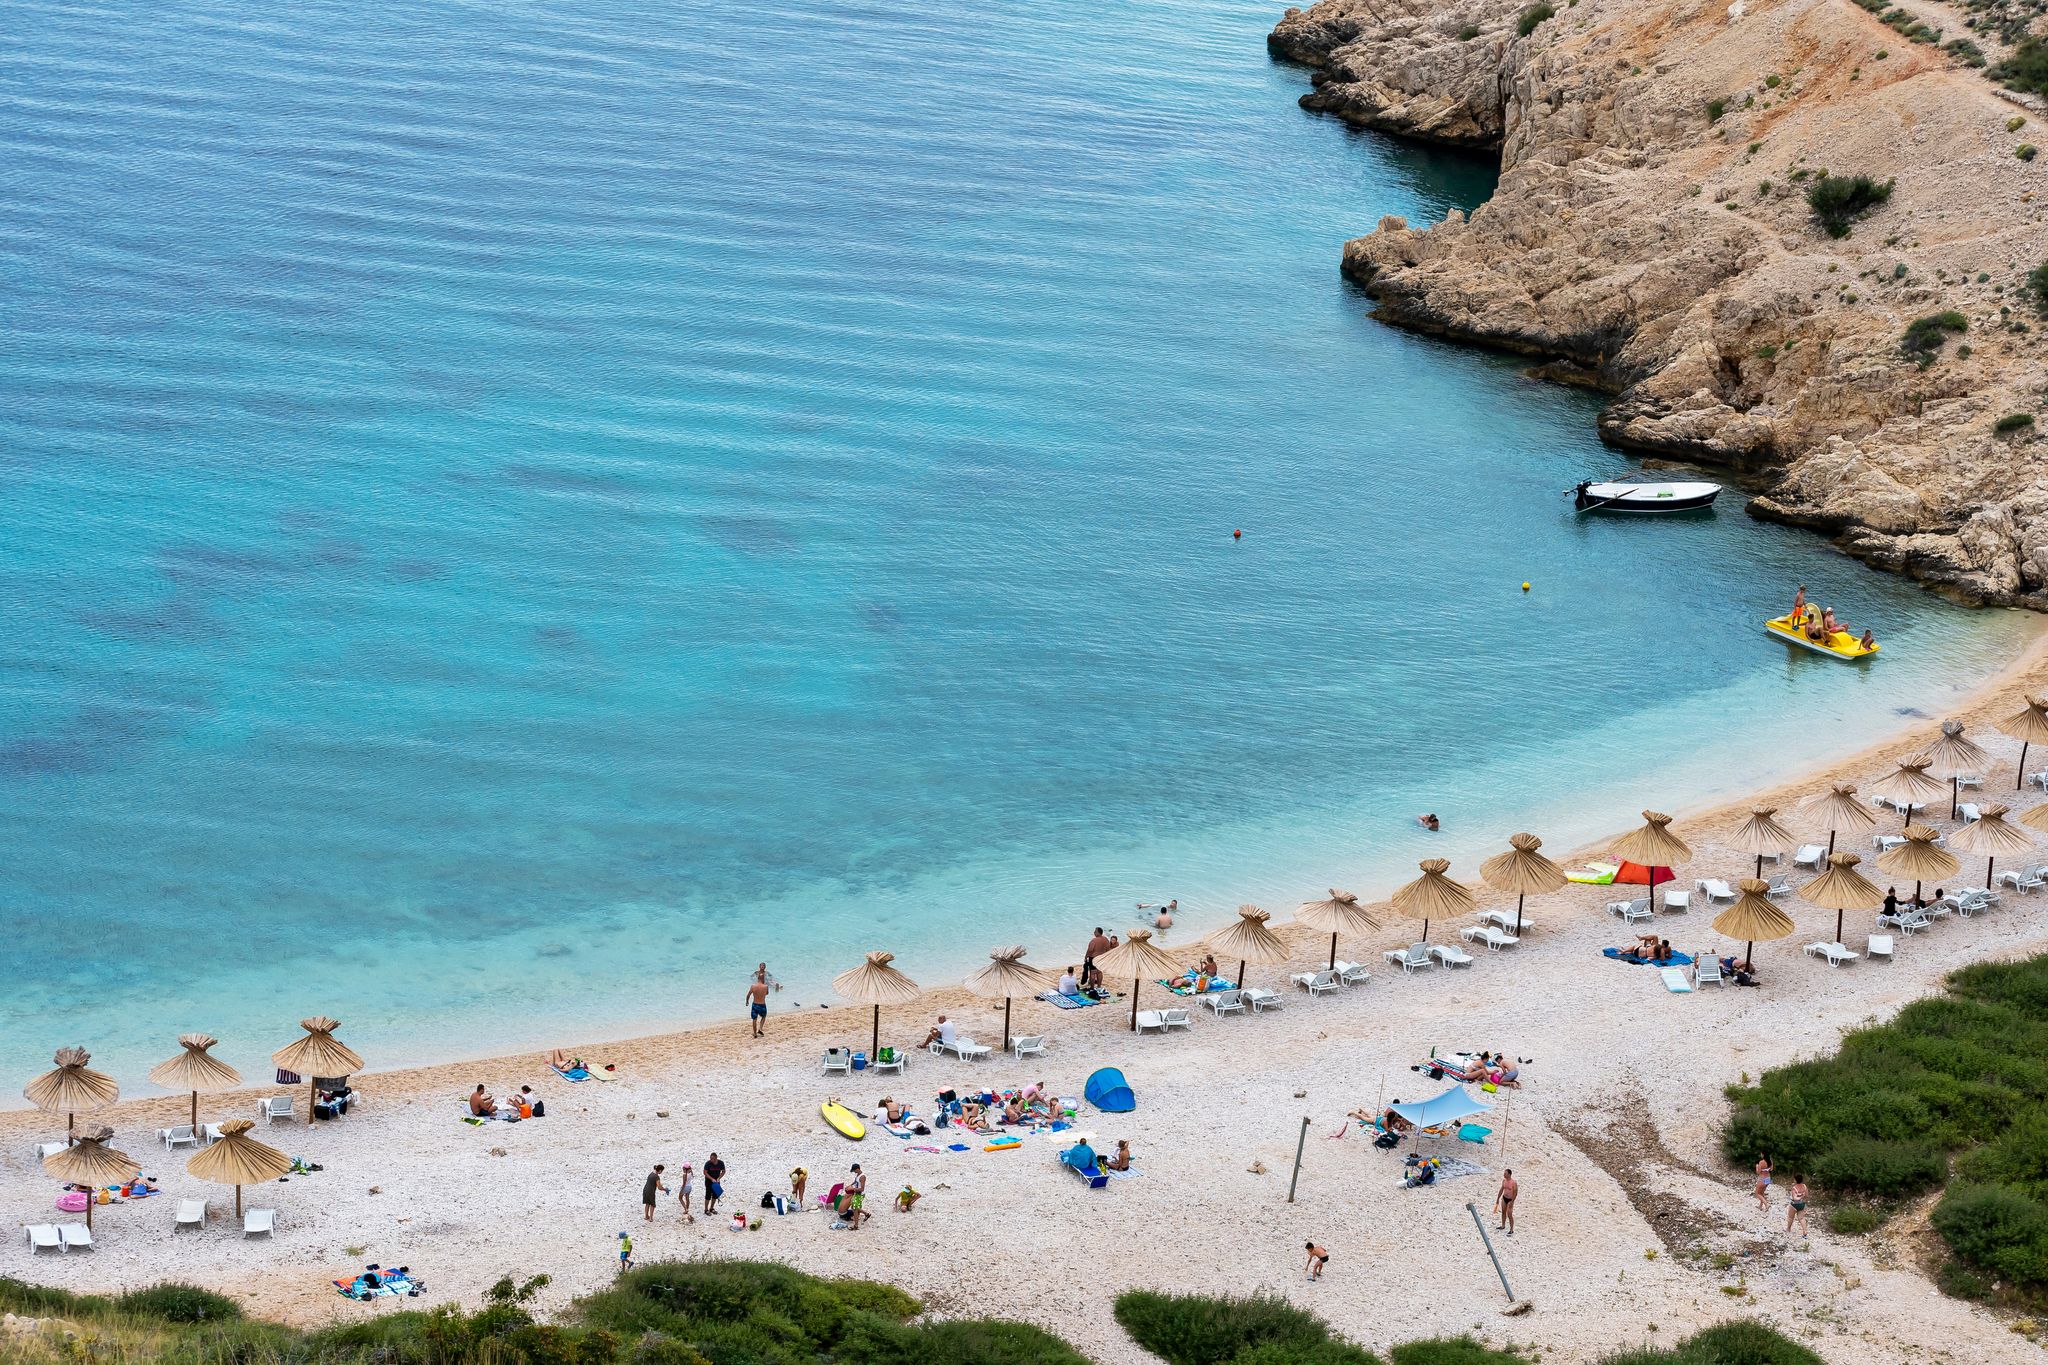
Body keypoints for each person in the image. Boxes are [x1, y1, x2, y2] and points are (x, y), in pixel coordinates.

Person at [744, 973, 771, 1039]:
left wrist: (747, 1001)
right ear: (763, 979)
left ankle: (755, 1033)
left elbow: (748, 995)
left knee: (754, 1019)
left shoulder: (753, 986)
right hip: (762, 1005)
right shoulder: (765, 986)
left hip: (755, 1005)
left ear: (757, 978)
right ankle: (760, 1029)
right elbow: (767, 993)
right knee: (763, 1017)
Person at [844, 1163, 867, 1229]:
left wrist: (852, 1188)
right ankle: (866, 1214)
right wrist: (850, 1185)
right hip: (856, 1194)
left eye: (854, 1170)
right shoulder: (858, 1175)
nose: (854, 1172)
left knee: (854, 1208)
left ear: (857, 1169)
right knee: (855, 1208)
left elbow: (862, 1189)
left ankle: (856, 1225)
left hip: (860, 1195)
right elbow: (855, 1182)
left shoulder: (862, 1177)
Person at [1495, 1168, 1518, 1234]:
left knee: (1509, 1214)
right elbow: (1501, 1189)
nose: (1504, 1174)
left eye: (1505, 1173)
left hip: (1510, 1199)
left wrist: (1512, 1201)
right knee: (1503, 1212)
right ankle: (1503, 1225)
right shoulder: (1504, 1181)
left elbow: (1515, 1193)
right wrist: (1498, 1198)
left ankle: (1511, 1229)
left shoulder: (1513, 1182)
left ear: (1509, 1174)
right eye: (1504, 1173)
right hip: (1504, 1198)